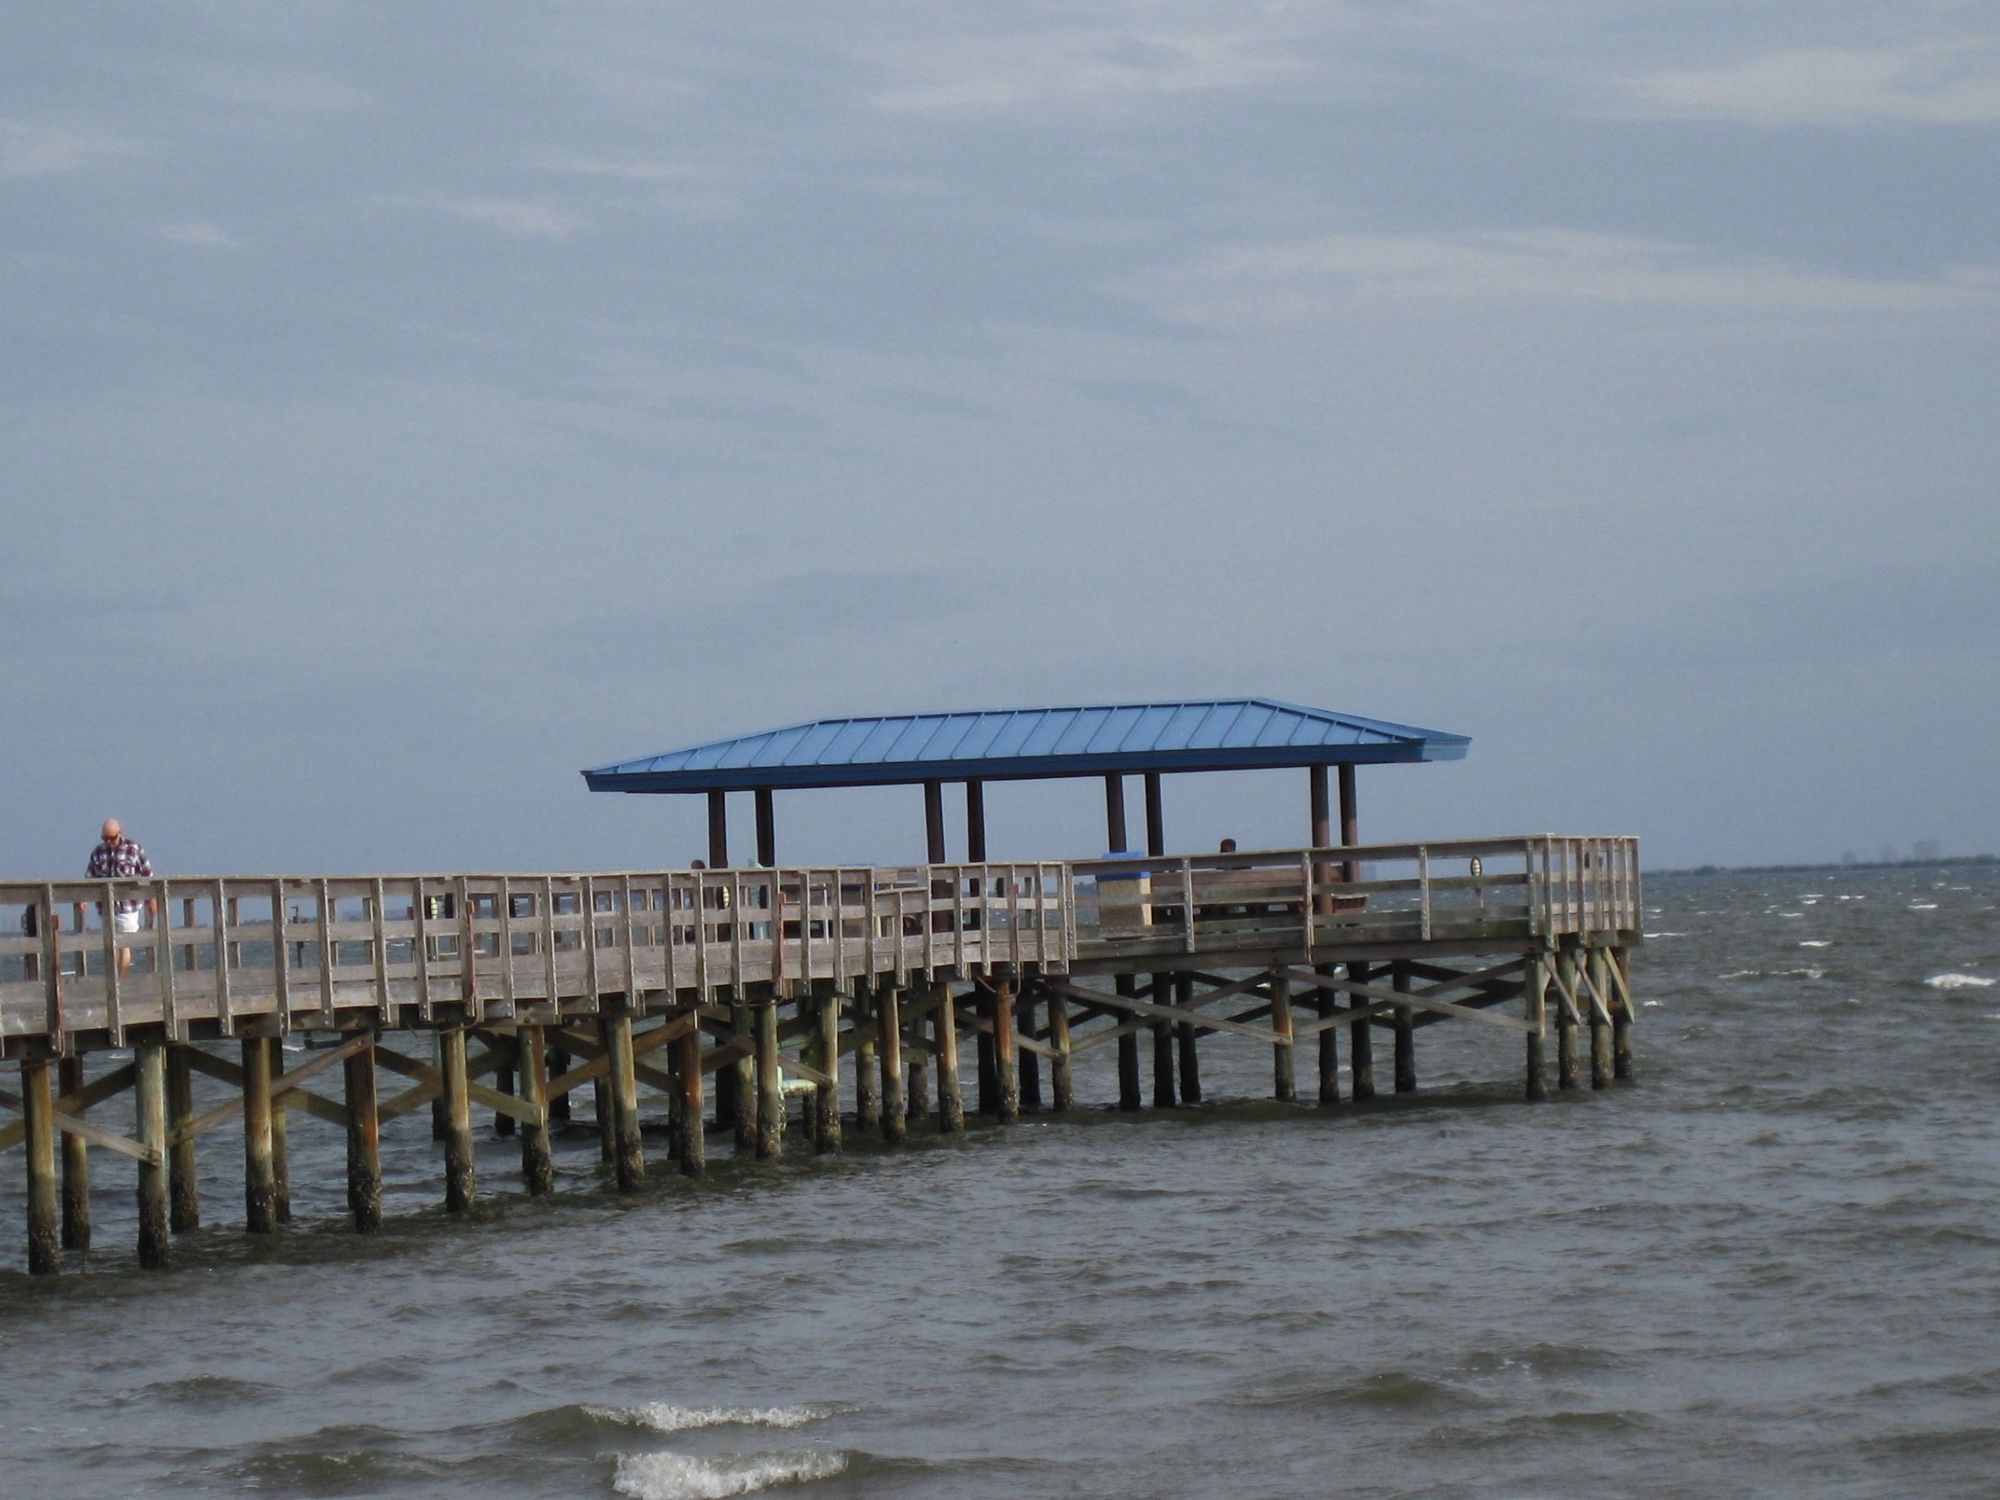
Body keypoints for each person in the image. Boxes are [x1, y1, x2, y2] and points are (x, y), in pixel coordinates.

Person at [81, 819, 154, 976]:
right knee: (111, 945)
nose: (108, 842)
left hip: (129, 905)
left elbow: (148, 875)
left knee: (124, 944)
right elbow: (89, 878)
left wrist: (152, 899)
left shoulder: (134, 849)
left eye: (111, 838)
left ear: (120, 834)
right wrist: (83, 899)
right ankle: (114, 979)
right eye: (105, 839)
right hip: (106, 906)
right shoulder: (98, 852)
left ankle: (121, 980)